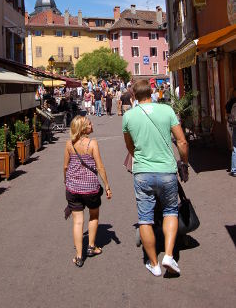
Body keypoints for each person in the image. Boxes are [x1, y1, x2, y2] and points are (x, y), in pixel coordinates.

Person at [123, 79, 189, 276]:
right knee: (170, 211)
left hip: (142, 172)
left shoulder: (128, 116)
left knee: (145, 219)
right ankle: (169, 255)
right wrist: (184, 163)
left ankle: (154, 264)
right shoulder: (167, 111)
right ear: (151, 93)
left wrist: (142, 159)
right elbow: (182, 141)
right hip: (167, 171)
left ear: (134, 96)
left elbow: (129, 146)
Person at [64, 116, 112, 267]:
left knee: (78, 221)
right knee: (93, 215)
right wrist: (107, 185)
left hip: (73, 188)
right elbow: (100, 166)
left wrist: (66, 180)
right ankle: (91, 246)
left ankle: (79, 256)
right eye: (89, 123)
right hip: (90, 188)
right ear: (83, 128)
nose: (92, 125)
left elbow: (65, 166)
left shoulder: (69, 144)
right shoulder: (92, 143)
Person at [226, 87, 236, 177]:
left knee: (234, 147)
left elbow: (228, 116)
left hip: (232, 125)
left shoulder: (229, 103)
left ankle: (234, 169)